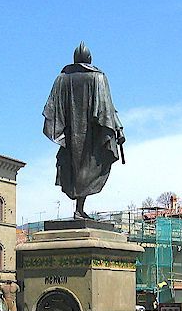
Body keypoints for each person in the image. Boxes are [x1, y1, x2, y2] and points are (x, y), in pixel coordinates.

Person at [43, 42, 125, 219]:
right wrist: (118, 128)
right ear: (89, 59)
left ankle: (79, 208)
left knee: (74, 169)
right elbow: (108, 109)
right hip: (93, 136)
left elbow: (52, 109)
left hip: (70, 136)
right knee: (88, 169)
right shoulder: (98, 78)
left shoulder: (61, 79)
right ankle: (79, 208)